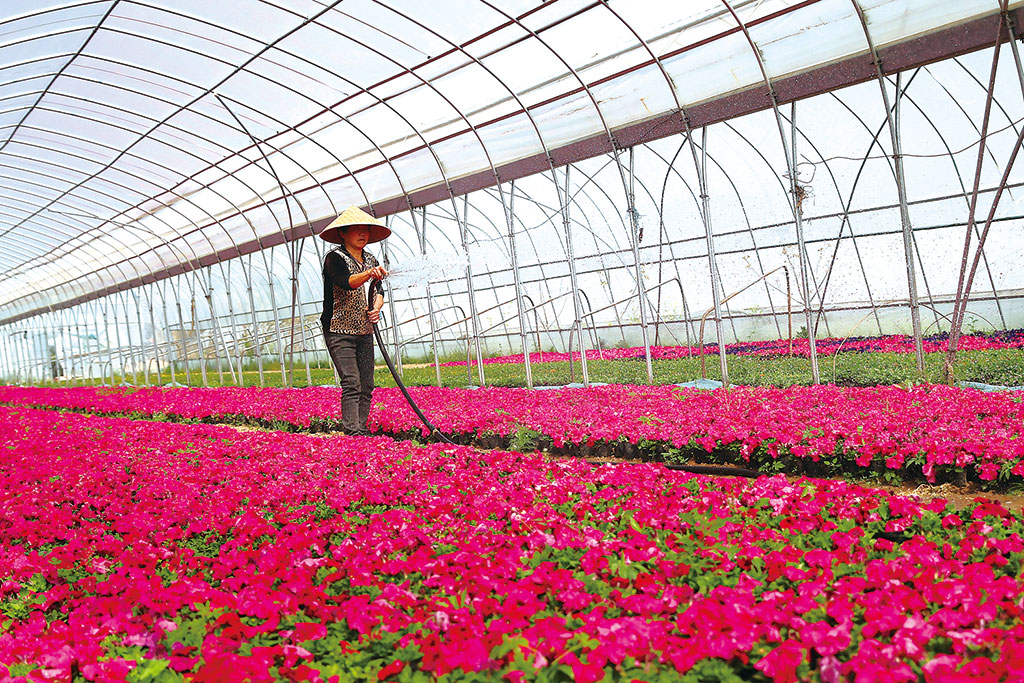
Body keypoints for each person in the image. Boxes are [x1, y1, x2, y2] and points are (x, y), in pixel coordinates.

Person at [319, 205, 391, 436]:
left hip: (364, 329)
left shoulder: (370, 258)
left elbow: (379, 289)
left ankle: (361, 428)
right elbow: (345, 282)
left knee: (367, 384)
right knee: (352, 381)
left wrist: (376, 307)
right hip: (339, 329)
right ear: (342, 233)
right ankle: (353, 432)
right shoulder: (334, 258)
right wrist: (369, 274)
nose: (362, 234)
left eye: (366, 230)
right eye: (356, 230)